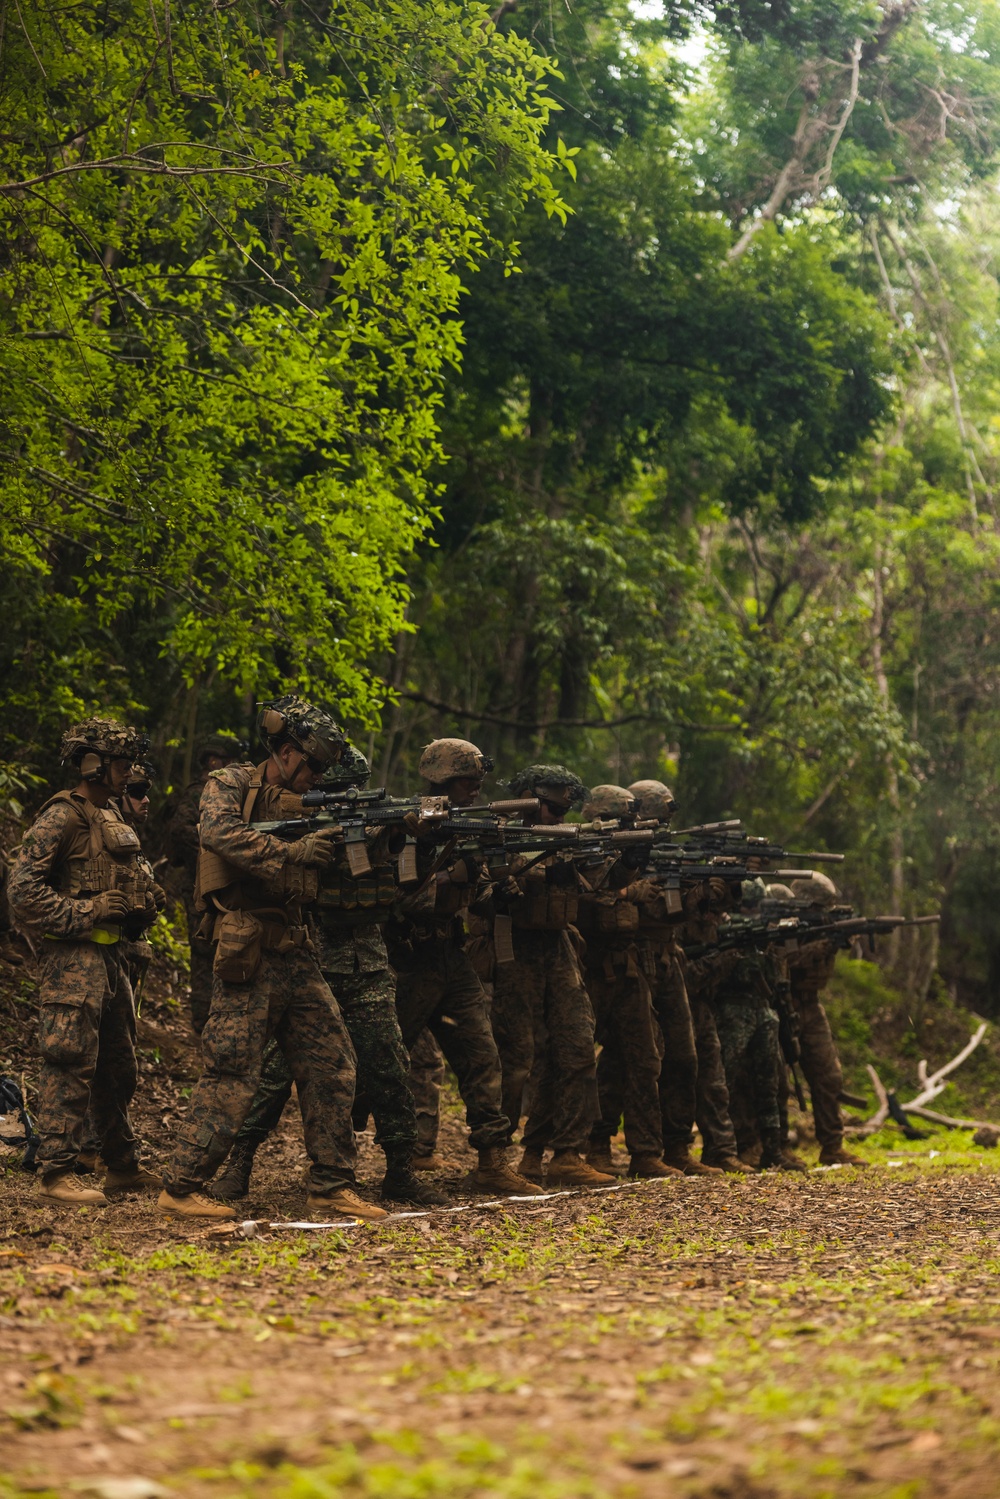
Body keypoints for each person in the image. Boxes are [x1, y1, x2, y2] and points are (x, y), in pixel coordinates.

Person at [158, 695, 383, 1222]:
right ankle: (181, 1184)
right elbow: (214, 833)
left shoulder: (313, 800)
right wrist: (290, 853)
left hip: (297, 949)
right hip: (247, 945)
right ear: (285, 753)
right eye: (312, 765)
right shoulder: (230, 783)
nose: (316, 777)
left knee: (333, 1063)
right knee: (231, 1068)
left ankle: (331, 1182)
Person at [210, 747, 448, 1208]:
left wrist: (408, 834)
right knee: (278, 1072)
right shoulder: (291, 823)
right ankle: (239, 1162)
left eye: (353, 788)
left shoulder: (369, 822)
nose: (348, 796)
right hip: (313, 954)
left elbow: (400, 875)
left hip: (368, 961)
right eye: (338, 788)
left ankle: (400, 1168)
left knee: (390, 1065)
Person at [8, 718, 162, 1207]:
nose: (127, 771)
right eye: (120, 763)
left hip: (113, 958)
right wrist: (85, 911)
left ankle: (120, 1165)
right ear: (93, 764)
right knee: (69, 1061)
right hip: (71, 960)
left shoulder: (111, 814)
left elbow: (130, 876)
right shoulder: (62, 815)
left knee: (119, 1068)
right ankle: (56, 1172)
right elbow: (21, 891)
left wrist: (145, 900)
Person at [386, 738, 542, 1197]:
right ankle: (390, 1163)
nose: (474, 790)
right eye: (465, 782)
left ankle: (493, 1161)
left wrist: (493, 890)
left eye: (476, 782)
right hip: (407, 961)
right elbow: (396, 898)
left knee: (482, 1055)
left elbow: (468, 901)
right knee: (386, 1063)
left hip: (451, 958)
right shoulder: (408, 829)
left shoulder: (464, 829)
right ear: (441, 779)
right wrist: (448, 878)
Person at [489, 764, 612, 1188]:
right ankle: (494, 1158)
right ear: (525, 798)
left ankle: (562, 1153)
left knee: (577, 1048)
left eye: (564, 810)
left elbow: (596, 887)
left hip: (557, 947)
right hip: (512, 949)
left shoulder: (563, 840)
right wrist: (530, 875)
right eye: (552, 807)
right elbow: (481, 884)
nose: (559, 818)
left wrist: (622, 861)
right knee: (516, 1060)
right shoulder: (493, 834)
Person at [578, 785, 680, 1180]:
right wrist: (628, 891)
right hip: (589, 966)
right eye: (622, 821)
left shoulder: (635, 854)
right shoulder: (580, 850)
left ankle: (645, 1152)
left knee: (643, 1057)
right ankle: (587, 1146)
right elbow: (588, 898)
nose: (630, 826)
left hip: (629, 967)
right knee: (578, 1059)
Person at [621, 779, 722, 1178]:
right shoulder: (621, 852)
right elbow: (601, 894)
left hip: (668, 956)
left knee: (684, 1054)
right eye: (657, 816)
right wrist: (636, 890)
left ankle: (677, 1146)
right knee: (642, 1059)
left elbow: (678, 913)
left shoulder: (666, 854)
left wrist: (705, 892)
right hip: (633, 957)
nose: (662, 825)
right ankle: (644, 1152)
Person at [166, 732, 246, 1034]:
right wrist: (215, 846)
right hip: (200, 886)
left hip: (224, 887)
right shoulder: (197, 793)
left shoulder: (223, 794)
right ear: (214, 761)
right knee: (203, 954)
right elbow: (180, 832)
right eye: (227, 761)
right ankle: (202, 1023)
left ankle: (222, 1021)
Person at [784, 874, 866, 1167]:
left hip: (811, 1005)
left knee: (828, 1075)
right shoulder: (783, 924)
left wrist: (837, 941)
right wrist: (813, 950)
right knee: (774, 1081)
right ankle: (773, 1147)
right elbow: (781, 961)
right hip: (784, 1002)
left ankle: (832, 1145)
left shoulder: (821, 925)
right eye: (820, 907)